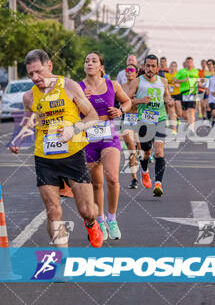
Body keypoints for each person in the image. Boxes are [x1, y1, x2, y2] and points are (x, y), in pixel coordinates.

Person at [9, 49, 103, 248]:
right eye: (30, 74)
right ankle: (63, 260)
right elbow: (28, 122)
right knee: (53, 210)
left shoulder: (69, 86)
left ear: (49, 66)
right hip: (45, 158)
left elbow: (92, 116)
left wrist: (74, 128)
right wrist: (18, 139)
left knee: (86, 210)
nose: (35, 78)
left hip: (73, 154)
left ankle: (92, 223)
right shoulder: (29, 97)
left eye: (39, 72)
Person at [79, 52, 132, 240]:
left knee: (112, 178)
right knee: (96, 183)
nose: (89, 63)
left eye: (94, 61)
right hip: (88, 137)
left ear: (101, 67)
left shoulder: (112, 85)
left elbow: (127, 101)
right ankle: (100, 219)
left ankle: (112, 219)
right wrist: (79, 101)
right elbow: (71, 112)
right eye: (87, 61)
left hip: (109, 135)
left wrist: (120, 110)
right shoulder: (79, 88)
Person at [128, 54, 173, 196]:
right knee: (146, 152)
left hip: (160, 118)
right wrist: (140, 101)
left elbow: (166, 97)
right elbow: (127, 100)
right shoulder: (137, 81)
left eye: (153, 66)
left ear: (158, 68)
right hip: (143, 120)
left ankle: (158, 184)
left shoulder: (163, 81)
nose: (150, 68)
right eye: (147, 65)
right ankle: (145, 171)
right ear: (143, 66)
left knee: (159, 151)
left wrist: (169, 102)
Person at [121, 64, 141, 189]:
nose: (128, 72)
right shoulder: (121, 87)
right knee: (131, 149)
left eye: (131, 70)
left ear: (136, 73)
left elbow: (146, 102)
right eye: (127, 70)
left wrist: (131, 101)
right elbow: (121, 102)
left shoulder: (141, 87)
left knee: (142, 150)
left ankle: (144, 170)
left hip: (140, 120)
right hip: (127, 121)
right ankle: (134, 178)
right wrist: (136, 100)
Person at [175, 57, 200, 131]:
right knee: (184, 114)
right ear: (185, 63)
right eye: (188, 62)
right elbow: (175, 80)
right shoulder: (181, 71)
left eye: (190, 62)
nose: (189, 63)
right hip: (184, 93)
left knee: (191, 111)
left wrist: (199, 83)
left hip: (192, 92)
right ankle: (189, 123)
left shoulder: (195, 71)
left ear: (192, 63)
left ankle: (191, 128)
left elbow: (198, 80)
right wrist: (183, 80)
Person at [164, 61, 181, 134]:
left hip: (178, 94)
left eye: (174, 66)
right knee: (171, 110)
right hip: (169, 95)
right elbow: (164, 84)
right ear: (169, 66)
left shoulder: (178, 75)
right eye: (172, 66)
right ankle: (174, 129)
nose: (173, 67)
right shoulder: (166, 75)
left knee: (179, 112)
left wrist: (179, 85)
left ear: (176, 67)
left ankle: (176, 118)